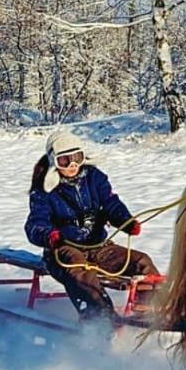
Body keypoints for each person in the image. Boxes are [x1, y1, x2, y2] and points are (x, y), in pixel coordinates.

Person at [25, 131, 160, 324]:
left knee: (142, 262)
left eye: (76, 158)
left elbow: (111, 204)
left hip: (99, 246)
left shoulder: (94, 177)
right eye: (65, 161)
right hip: (63, 249)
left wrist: (126, 222)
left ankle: (150, 309)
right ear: (54, 161)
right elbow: (35, 224)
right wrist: (50, 236)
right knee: (79, 270)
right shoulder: (44, 189)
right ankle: (100, 318)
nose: (72, 166)